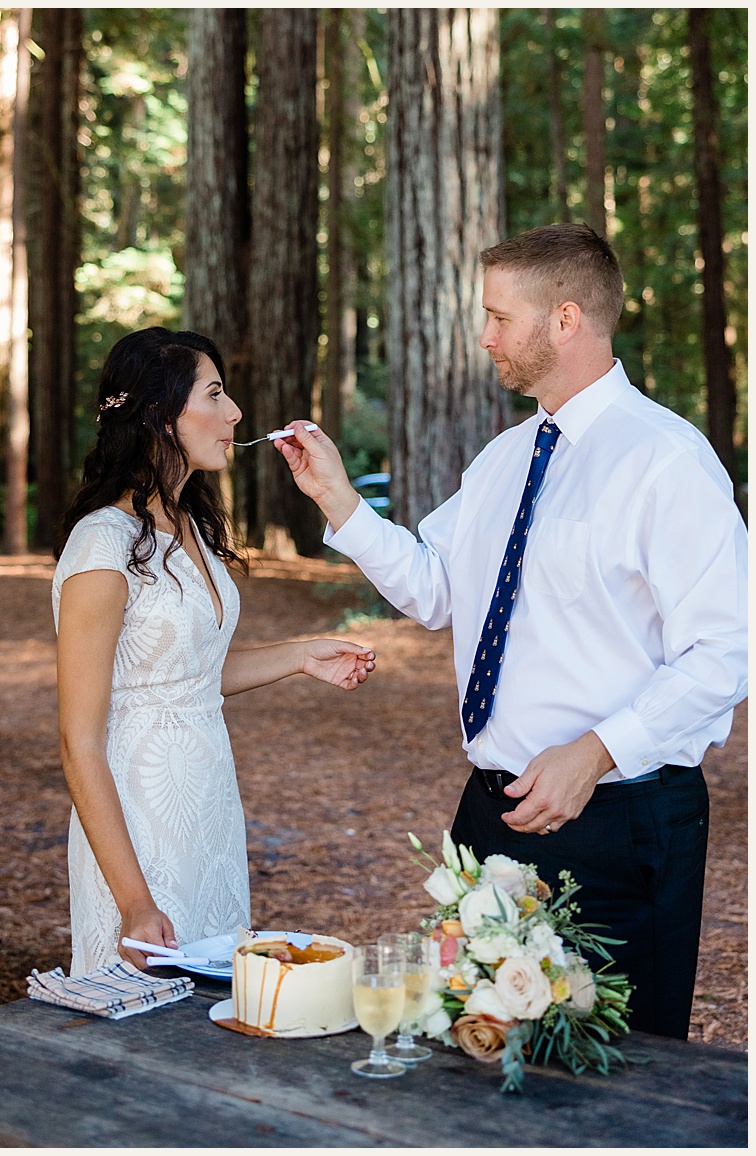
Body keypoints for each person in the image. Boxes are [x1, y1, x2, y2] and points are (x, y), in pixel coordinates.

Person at [277, 224, 747, 1038]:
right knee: (476, 1056)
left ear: (565, 320)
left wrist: (594, 754)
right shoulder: (503, 459)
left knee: (616, 1079)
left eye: (499, 317)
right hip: (487, 822)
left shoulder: (668, 461)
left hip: (620, 821)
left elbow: (725, 652)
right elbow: (434, 589)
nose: (485, 336)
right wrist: (339, 503)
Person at [53, 327, 378, 975]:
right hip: (138, 819)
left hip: (209, 806)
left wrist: (300, 654)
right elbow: (77, 740)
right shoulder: (102, 545)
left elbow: (184, 678)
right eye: (216, 394)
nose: (233, 414)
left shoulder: (193, 527)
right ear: (158, 414)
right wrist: (134, 902)